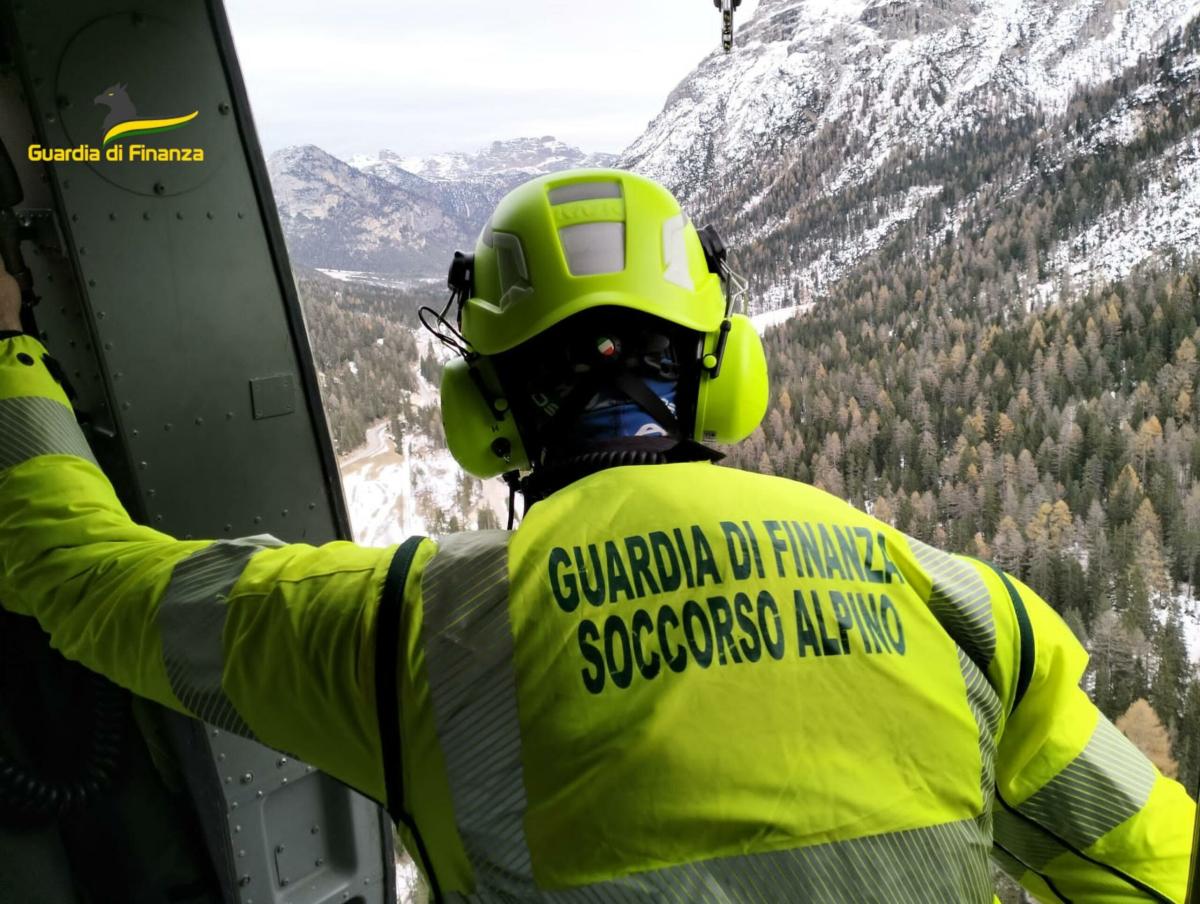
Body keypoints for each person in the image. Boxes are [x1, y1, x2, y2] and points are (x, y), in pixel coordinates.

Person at [0, 168, 1192, 903]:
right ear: (731, 381)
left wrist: (11, 351)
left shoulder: (401, 634)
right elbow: (1156, 864)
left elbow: (80, 573)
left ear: (484, 417)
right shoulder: (965, 610)